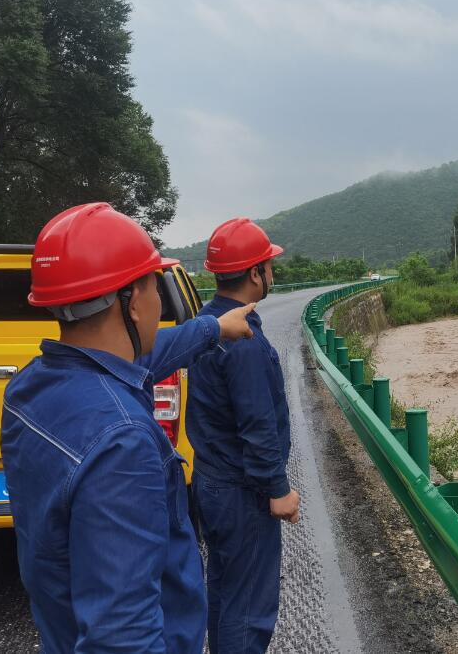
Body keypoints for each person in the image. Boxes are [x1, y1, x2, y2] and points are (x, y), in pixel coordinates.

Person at [0, 202, 255, 654]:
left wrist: (214, 328)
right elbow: (121, 635)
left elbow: (145, 356)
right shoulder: (122, 442)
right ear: (134, 301)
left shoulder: (31, 387)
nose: (158, 300)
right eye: (154, 284)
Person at [187, 217, 300, 654]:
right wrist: (278, 489)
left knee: (224, 590)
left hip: (211, 480)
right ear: (256, 273)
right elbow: (257, 424)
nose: (272, 273)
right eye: (269, 266)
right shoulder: (244, 338)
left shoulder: (207, 323)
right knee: (250, 607)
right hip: (242, 490)